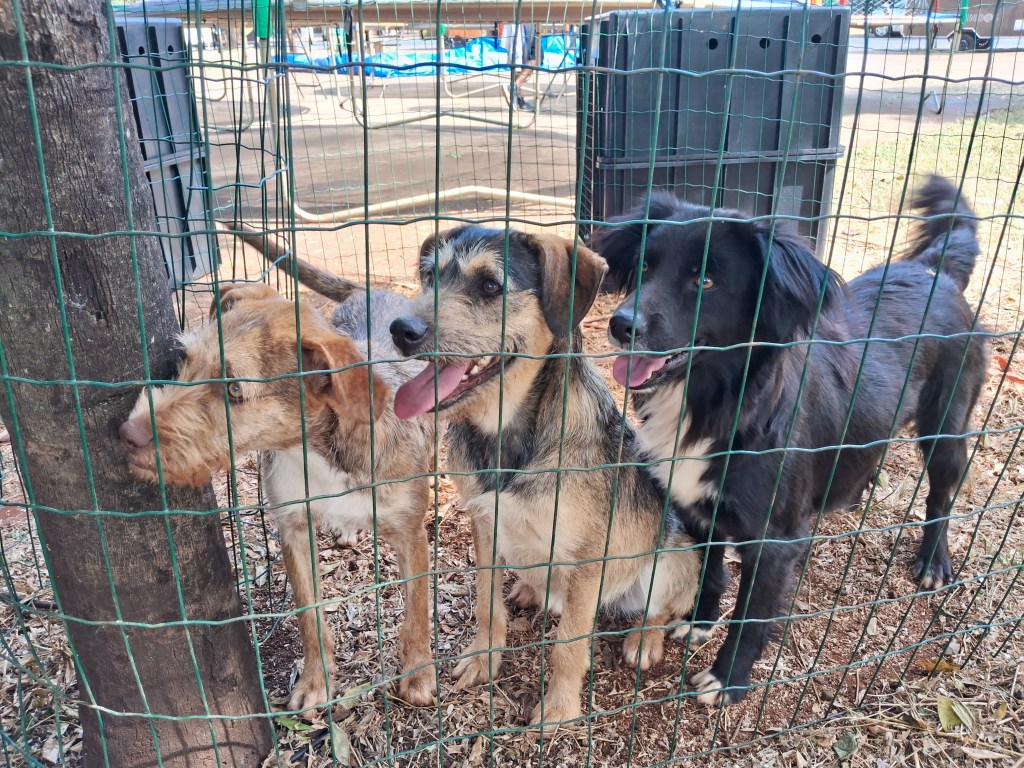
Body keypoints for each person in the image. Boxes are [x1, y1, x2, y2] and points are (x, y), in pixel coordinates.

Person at [500, 22, 539, 111]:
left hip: (520, 21)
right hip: (525, 20)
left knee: (520, 60)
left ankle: (517, 98)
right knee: (537, 56)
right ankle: (515, 86)